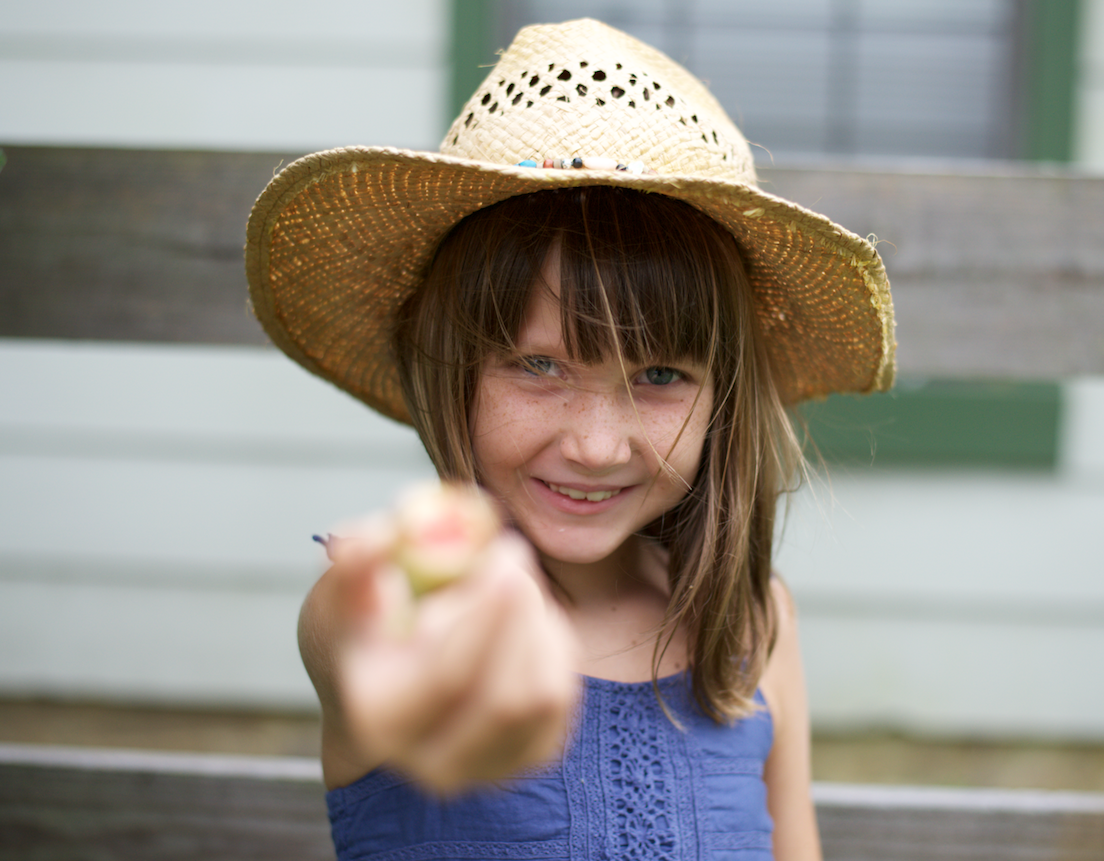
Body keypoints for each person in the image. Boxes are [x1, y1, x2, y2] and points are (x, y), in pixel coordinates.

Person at [245, 18, 895, 861]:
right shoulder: (388, 604)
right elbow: (375, 642)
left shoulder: (754, 624)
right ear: (456, 372)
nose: (595, 444)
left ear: (723, 401)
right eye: (539, 365)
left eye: (660, 376)